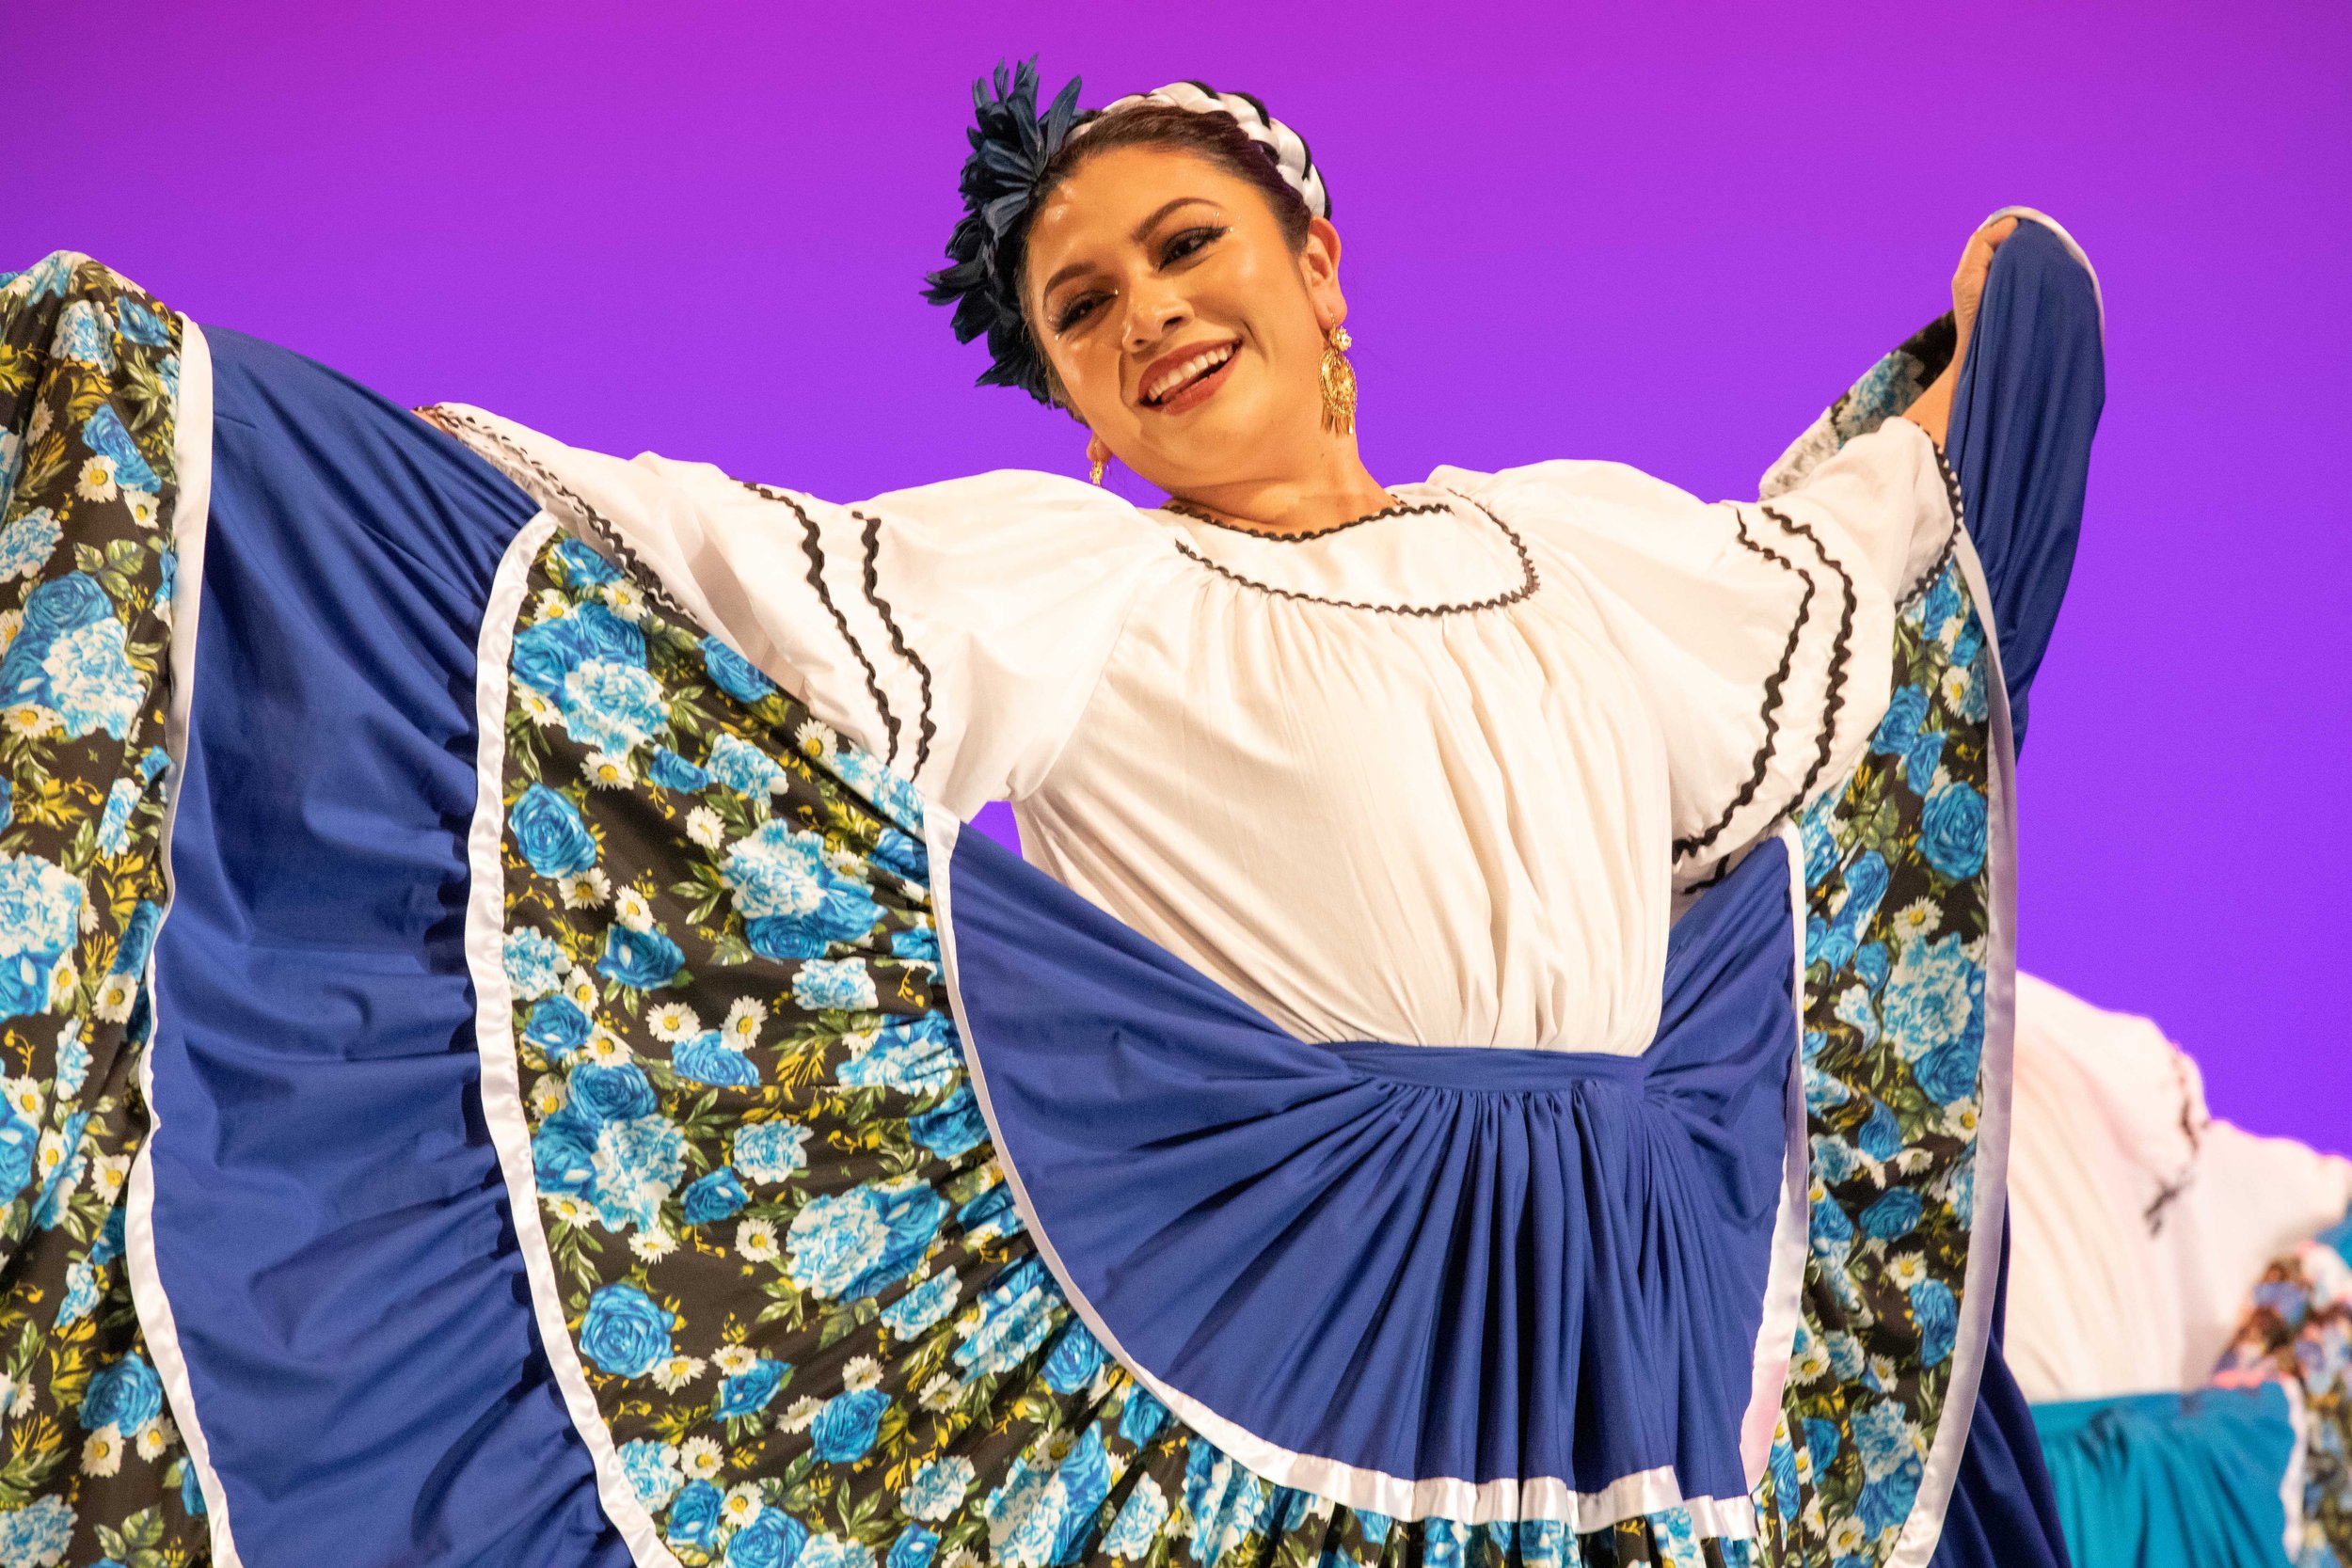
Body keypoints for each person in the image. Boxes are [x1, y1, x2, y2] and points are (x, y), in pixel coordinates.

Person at [0, 58, 2102, 1568]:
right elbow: (697, 557)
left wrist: (1999, 323)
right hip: (1296, 1300)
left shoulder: (1587, 547)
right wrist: (254, 438)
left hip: (1626, 1297)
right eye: (1083, 310)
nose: (1148, 315)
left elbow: (1851, 566)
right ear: (1075, 398)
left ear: (1318, 263)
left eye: (1185, 248)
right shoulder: (1077, 582)